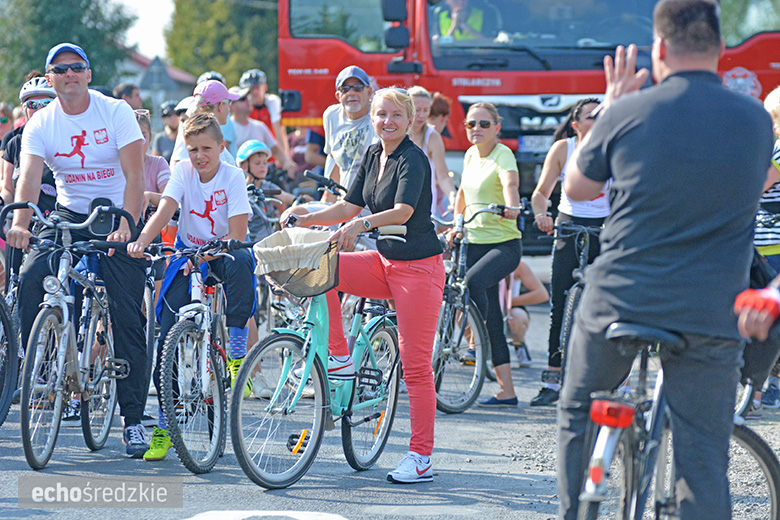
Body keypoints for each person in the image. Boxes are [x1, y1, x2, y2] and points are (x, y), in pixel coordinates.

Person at [556, 1, 774, 517]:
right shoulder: (755, 121)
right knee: (702, 455)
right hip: (710, 309)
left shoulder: (628, 112)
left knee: (578, 409)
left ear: (658, 49)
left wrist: (610, 109)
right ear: (722, 48)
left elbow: (577, 188)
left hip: (620, 297)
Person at [281, 87, 445, 484]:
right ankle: (340, 356)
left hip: (419, 270)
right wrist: (305, 216)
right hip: (384, 263)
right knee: (323, 268)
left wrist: (360, 225)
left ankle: (421, 457)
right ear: (372, 118)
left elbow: (403, 211)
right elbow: (347, 206)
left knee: (415, 367)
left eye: (396, 115)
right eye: (381, 114)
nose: (388, 121)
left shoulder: (413, 158)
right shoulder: (373, 154)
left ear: (409, 120)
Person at [8, 42, 150, 458]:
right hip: (69, 212)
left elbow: (135, 174)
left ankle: (133, 420)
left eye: (76, 67)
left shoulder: (115, 111)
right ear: (49, 79)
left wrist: (127, 223)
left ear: (88, 74)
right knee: (31, 275)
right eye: (60, 69)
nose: (69, 74)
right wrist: (20, 224)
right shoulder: (41, 123)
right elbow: (28, 179)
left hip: (116, 211)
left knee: (127, 316)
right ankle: (43, 360)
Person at [127, 113, 255, 461]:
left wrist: (207, 255)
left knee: (242, 260)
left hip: (222, 251)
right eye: (193, 149)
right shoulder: (183, 171)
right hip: (188, 253)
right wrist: (141, 241)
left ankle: (237, 351)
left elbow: (238, 234)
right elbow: (164, 210)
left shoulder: (233, 176)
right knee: (167, 335)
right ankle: (166, 426)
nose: (199, 156)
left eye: (206, 149)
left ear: (221, 147)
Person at [528, 97, 606, 407]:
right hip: (570, 222)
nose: (597, 121)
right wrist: (541, 215)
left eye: (601, 115)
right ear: (576, 125)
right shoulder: (564, 149)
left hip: (605, 225)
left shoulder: (614, 146)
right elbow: (540, 193)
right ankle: (552, 378)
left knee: (607, 302)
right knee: (559, 302)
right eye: (590, 117)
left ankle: (610, 380)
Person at [448, 101, 522, 408]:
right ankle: (507, 392)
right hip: (473, 242)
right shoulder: (469, 155)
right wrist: (456, 225)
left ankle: (476, 342)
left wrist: (512, 206)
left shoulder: (503, 154)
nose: (476, 129)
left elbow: (510, 183)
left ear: (497, 128)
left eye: (483, 124)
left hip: (503, 245)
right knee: (492, 320)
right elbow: (462, 195)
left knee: (473, 282)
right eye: (471, 124)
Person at [321, 65, 378, 202]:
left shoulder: (378, 114)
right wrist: (327, 198)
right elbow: (334, 158)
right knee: (293, 212)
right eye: (345, 89)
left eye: (358, 87)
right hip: (344, 201)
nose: (351, 93)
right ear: (338, 96)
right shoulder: (331, 115)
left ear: (369, 92)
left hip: (372, 201)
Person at [169, 80, 239, 170]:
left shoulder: (199, 131)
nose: (229, 109)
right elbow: (177, 166)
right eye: (229, 104)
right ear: (220, 106)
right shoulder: (191, 132)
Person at [408, 86, 456, 216]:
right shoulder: (396, 132)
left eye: (426, 110)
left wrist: (453, 197)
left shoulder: (432, 136)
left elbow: (443, 176)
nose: (422, 115)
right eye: (417, 110)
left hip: (423, 206)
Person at [229, 88, 295, 171]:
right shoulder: (227, 128)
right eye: (242, 99)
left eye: (248, 97)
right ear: (232, 106)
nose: (248, 100)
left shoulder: (259, 126)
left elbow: (275, 150)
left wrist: (288, 163)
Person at [240, 68, 292, 160]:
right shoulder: (243, 106)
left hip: (272, 155)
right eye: (251, 89)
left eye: (257, 87)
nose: (254, 92)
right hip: (250, 156)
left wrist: (285, 158)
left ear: (265, 87)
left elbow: (279, 131)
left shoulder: (272, 102)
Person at [505, 260, 549, 367]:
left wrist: (509, 302)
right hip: (485, 307)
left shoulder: (517, 264)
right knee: (465, 310)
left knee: (515, 318)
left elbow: (542, 294)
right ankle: (473, 346)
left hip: (511, 307)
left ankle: (519, 343)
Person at [433, 0, 501, 40]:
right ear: (446, 1)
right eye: (455, 0)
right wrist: (454, 25)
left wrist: (469, 29)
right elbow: (438, 49)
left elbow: (489, 44)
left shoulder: (484, 14)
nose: (461, 2)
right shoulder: (439, 16)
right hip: (449, 57)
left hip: (477, 56)